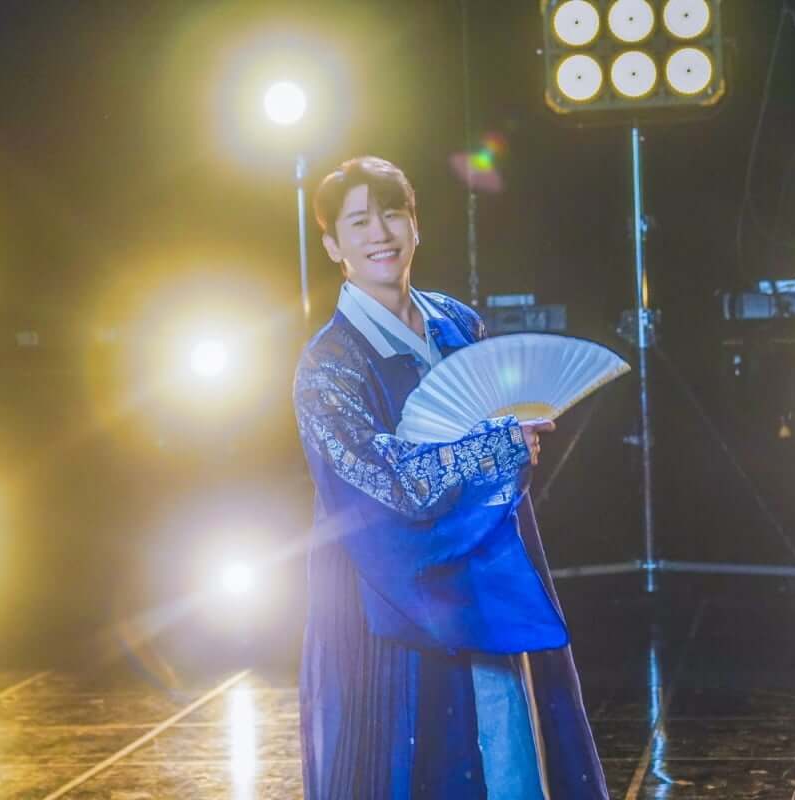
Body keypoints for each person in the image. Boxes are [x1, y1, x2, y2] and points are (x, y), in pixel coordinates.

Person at [292, 155, 609, 799]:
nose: (381, 233)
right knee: (403, 749)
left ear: (416, 225)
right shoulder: (328, 362)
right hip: (384, 583)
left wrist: (509, 453)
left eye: (393, 214)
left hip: (480, 560)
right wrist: (491, 447)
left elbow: (497, 446)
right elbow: (383, 480)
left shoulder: (457, 323)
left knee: (506, 735)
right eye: (359, 222)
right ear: (333, 246)